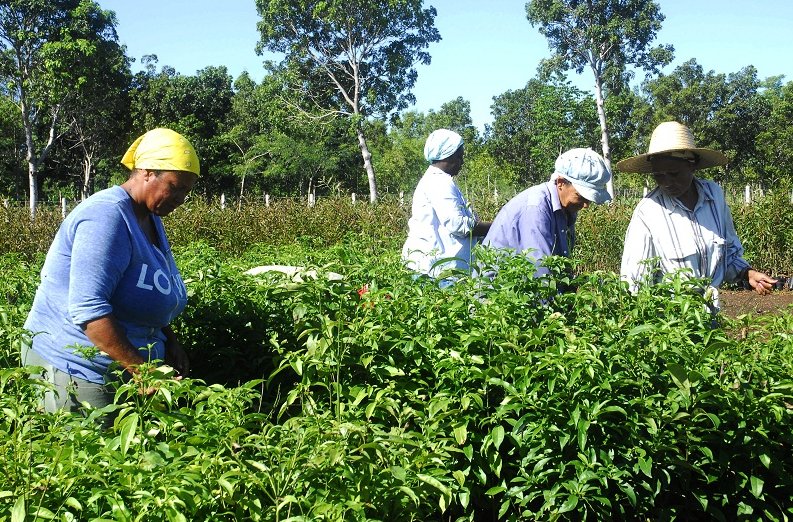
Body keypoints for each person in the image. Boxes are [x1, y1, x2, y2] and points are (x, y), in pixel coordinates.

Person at [22, 128, 199, 415]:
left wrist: (168, 339)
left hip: (125, 370)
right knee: (90, 456)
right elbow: (89, 310)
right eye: (175, 186)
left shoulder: (149, 216)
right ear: (145, 172)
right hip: (80, 371)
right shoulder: (106, 217)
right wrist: (142, 371)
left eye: (186, 192)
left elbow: (145, 288)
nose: (180, 198)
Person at [618, 121, 775, 307]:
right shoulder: (648, 212)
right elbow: (635, 280)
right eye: (658, 175)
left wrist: (747, 273)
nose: (666, 182)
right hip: (670, 323)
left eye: (674, 173)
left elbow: (728, 252)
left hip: (710, 317)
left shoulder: (714, 196)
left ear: (692, 166)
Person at [483, 148, 612, 277]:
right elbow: (539, 271)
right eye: (581, 196)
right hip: (497, 290)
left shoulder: (567, 207)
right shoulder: (536, 209)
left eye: (589, 199)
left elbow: (560, 261)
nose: (586, 205)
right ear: (561, 183)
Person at [402, 129, 491, 280]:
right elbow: (458, 225)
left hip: (435, 268)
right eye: (459, 157)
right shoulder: (439, 182)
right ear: (447, 156)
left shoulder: (438, 180)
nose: (461, 162)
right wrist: (494, 226)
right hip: (435, 270)